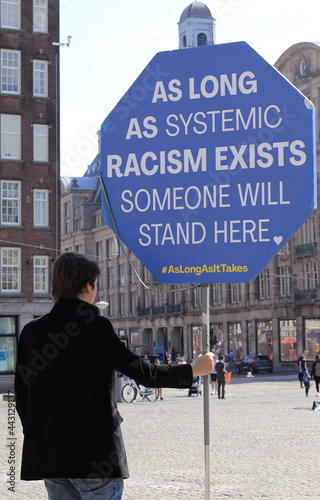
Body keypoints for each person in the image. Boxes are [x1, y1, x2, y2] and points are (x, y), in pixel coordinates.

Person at [14, 252, 214, 500]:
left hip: (50, 458)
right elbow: (143, 373)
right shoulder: (94, 326)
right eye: (96, 284)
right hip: (94, 458)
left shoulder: (32, 331)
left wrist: (42, 437)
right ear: (87, 286)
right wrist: (193, 369)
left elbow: (22, 396)